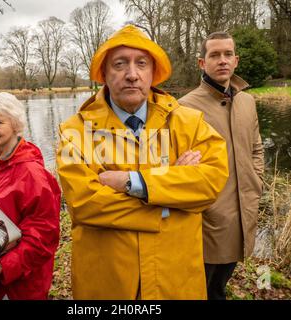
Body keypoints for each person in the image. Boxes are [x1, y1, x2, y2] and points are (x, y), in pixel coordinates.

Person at [56, 25, 229, 299]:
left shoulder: (189, 123)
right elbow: (84, 204)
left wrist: (132, 183)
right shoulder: (74, 132)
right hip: (108, 282)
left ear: (153, 72)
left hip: (174, 277)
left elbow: (212, 182)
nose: (132, 74)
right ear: (104, 73)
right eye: (120, 64)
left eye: (141, 64)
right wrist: (169, 202)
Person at [179, 32, 265, 300]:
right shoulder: (185, 107)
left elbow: (256, 148)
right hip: (208, 218)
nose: (222, 60)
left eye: (228, 54)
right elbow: (178, 167)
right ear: (202, 63)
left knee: (221, 282)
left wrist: (256, 182)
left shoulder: (247, 101)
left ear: (236, 60)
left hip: (244, 210)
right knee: (197, 286)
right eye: (214, 55)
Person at [0, 92, 61, 300]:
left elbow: (43, 235)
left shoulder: (32, 174)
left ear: (15, 124)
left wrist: (5, 266)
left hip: (19, 284)